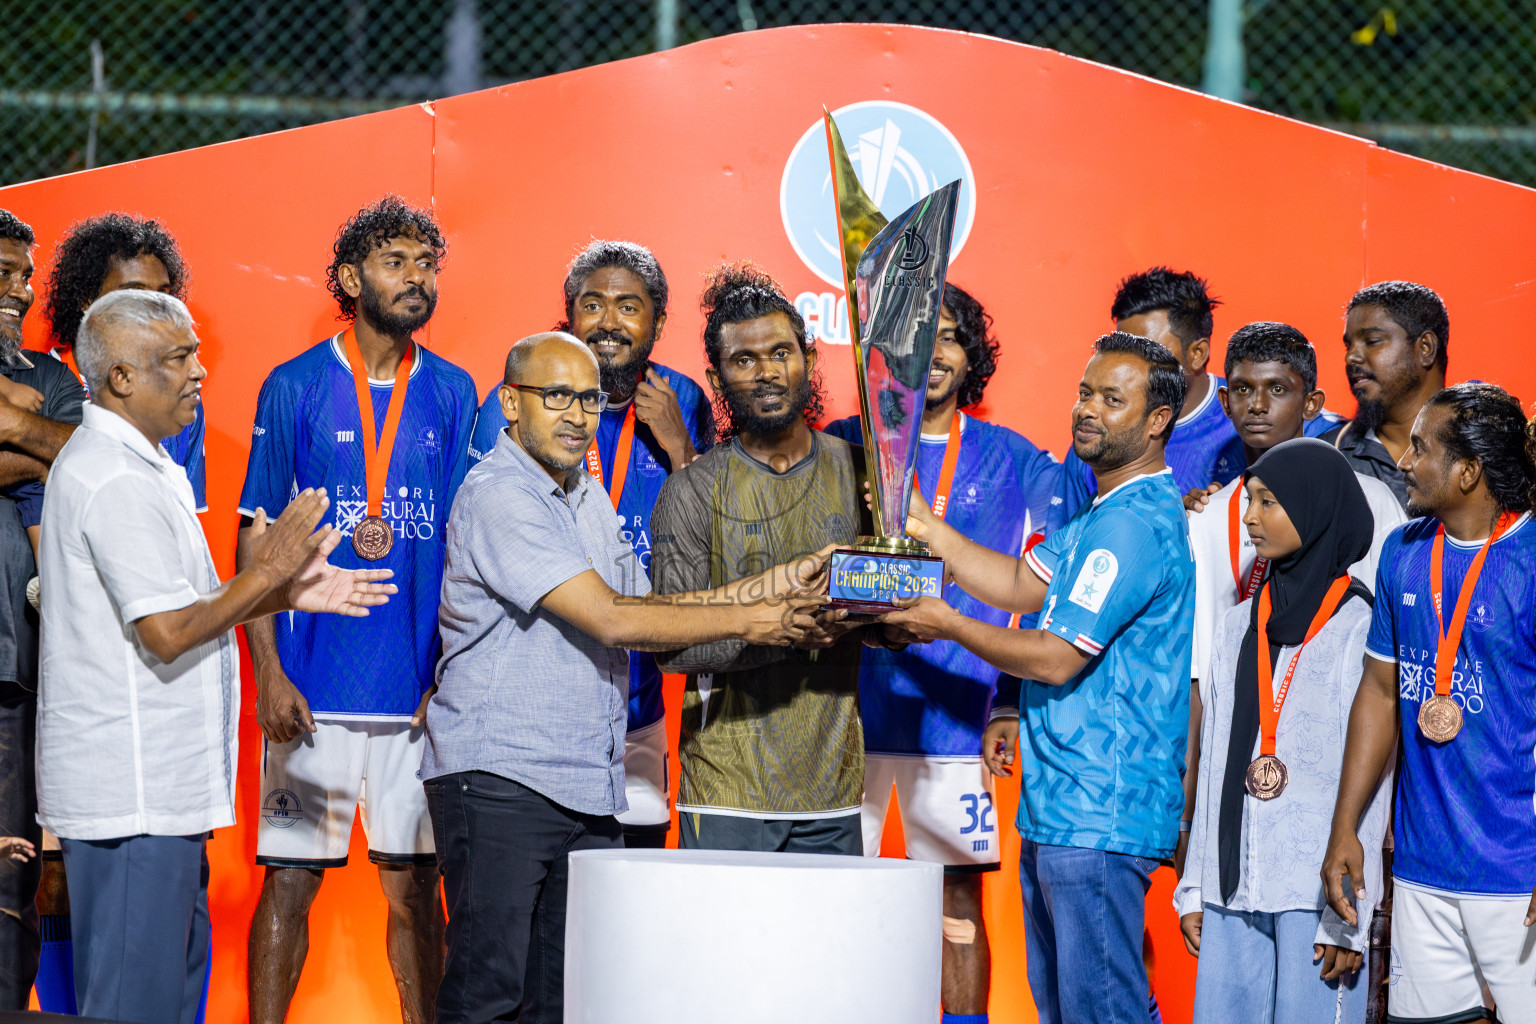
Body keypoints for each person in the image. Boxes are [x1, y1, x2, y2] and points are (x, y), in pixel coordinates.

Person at [420, 331, 825, 1024]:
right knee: (488, 995)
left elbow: (649, 602)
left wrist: (774, 584)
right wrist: (756, 619)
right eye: (556, 397)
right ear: (510, 405)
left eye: (589, 399)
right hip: (500, 781)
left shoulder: (585, 497)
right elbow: (611, 619)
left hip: (583, 786)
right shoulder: (498, 494)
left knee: (560, 999)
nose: (577, 414)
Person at [35, 289, 395, 1024]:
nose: (201, 371)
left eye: (196, 351)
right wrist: (265, 576)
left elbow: (188, 605)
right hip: (132, 803)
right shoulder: (113, 477)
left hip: (160, 800)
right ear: (122, 378)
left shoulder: (151, 466)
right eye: (178, 357)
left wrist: (283, 594)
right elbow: (168, 632)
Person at [879, 331, 1194, 1024]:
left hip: (1100, 814)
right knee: (1063, 1010)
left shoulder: (1133, 527)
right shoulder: (1099, 513)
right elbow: (1023, 583)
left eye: (1113, 400)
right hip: (1061, 808)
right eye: (1086, 393)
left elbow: (1054, 655)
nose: (1088, 410)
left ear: (1157, 421)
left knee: (1101, 1012)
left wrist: (948, 622)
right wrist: (932, 532)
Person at [239, 196, 477, 1024]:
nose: (418, 279)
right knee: (291, 880)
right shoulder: (294, 385)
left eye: (427, 264)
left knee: (416, 887)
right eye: (397, 262)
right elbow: (258, 544)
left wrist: (450, 674)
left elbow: (464, 548)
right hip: (310, 685)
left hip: (416, 693)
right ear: (350, 278)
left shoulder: (453, 391)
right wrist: (268, 672)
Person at [825, 282, 1059, 1024]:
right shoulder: (841, 442)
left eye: (950, 336)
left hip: (957, 715)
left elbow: (1046, 590)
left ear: (972, 354)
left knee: (957, 899)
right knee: (837, 894)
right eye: (917, 338)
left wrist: (1012, 703)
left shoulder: (1015, 458)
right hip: (844, 716)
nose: (933, 353)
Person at [467, 239, 713, 848]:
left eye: (629, 306)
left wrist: (682, 450)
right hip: (538, 705)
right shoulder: (519, 402)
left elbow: (716, 538)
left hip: (639, 704)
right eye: (592, 304)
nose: (609, 322)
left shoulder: (684, 402)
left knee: (630, 895)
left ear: (656, 320)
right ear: (569, 315)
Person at [1322, 382, 1536, 1024]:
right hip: (1422, 867)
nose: (1405, 462)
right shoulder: (1404, 551)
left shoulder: (1529, 559)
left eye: (1422, 448)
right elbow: (1380, 693)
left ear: (1468, 471)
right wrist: (1345, 826)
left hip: (1518, 871)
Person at [651, 263, 870, 856]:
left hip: (835, 789)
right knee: (723, 953)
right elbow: (671, 649)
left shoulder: (864, 473)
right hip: (726, 789)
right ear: (716, 378)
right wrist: (783, 629)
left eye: (781, 352)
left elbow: (898, 614)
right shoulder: (690, 491)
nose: (767, 371)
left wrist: (860, 621)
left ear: (809, 357)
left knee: (826, 954)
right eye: (744, 360)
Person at [1175, 439, 1392, 1023]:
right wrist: (1196, 884)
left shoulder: (1360, 627)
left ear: (1317, 508)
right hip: (1232, 879)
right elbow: (1219, 759)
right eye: (1250, 501)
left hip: (1316, 891)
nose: (1250, 517)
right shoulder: (1237, 624)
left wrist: (1347, 916)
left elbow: (1377, 783)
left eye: (1269, 502)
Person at [1180, 323, 1405, 870]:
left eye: (1278, 390)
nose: (1258, 406)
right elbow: (1202, 678)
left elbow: (1387, 668)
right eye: (1242, 390)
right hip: (1246, 756)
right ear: (1225, 400)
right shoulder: (1210, 517)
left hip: (1340, 754)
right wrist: (1191, 816)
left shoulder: (1369, 502)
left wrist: (1391, 810)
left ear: (1312, 403)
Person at [0, 210, 88, 1012]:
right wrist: (30, 439)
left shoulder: (53, 375)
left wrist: (23, 426)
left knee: (12, 871)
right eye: (4, 272)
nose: (19, 290)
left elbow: (83, 452)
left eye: (26, 275)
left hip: (15, 666)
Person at [1060, 268, 1341, 517]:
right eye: (1124, 350)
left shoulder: (1277, 419)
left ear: (1198, 353)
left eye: (1150, 350)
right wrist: (1170, 533)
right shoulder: (1097, 435)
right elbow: (1063, 553)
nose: (1129, 365)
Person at [44, 212, 206, 510]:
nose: (156, 310)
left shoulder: (181, 396)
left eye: (163, 295)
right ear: (86, 300)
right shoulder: (38, 385)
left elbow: (187, 523)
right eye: (134, 293)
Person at [1320, 281, 1449, 508]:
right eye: (1348, 346)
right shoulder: (1324, 459)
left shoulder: (1486, 450)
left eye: (1371, 341)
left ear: (1426, 348)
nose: (1351, 357)